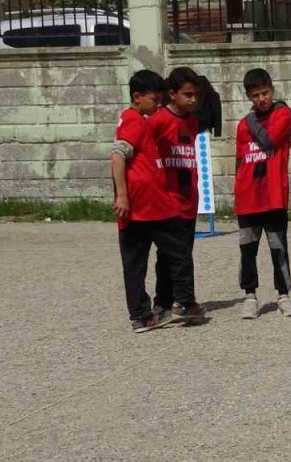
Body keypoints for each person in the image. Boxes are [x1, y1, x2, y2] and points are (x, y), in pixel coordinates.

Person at [111, 70, 192, 333]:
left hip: (146, 207)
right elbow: (117, 155)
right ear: (137, 97)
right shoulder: (134, 121)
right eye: (154, 99)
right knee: (177, 252)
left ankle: (142, 316)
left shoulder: (136, 120)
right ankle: (182, 302)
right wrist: (122, 195)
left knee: (136, 264)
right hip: (147, 207)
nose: (158, 104)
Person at [233, 68, 291, 320]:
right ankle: (250, 296)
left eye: (265, 93)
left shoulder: (283, 113)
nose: (262, 99)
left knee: (278, 248)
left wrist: (251, 120)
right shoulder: (242, 126)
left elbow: (269, 141)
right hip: (248, 196)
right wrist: (237, 189)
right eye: (256, 95)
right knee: (247, 250)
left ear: (272, 89)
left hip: (273, 196)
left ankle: (283, 296)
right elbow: (240, 160)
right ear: (248, 96)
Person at [147, 65, 207, 325]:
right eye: (187, 94)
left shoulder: (192, 121)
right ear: (172, 94)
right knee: (178, 253)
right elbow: (143, 147)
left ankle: (163, 302)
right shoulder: (159, 120)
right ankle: (184, 301)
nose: (193, 99)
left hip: (188, 198)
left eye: (195, 94)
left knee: (171, 255)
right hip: (167, 199)